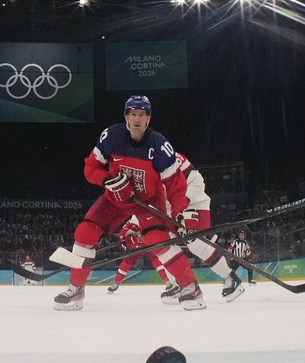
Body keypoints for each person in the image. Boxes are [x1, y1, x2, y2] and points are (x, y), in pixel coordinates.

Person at [53, 95, 205, 311]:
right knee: (85, 233)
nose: (137, 119)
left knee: (158, 239)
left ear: (148, 118)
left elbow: (176, 186)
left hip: (148, 201)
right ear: (126, 116)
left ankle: (191, 287)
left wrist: (179, 214)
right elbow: (90, 168)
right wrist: (107, 180)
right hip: (114, 199)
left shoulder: (160, 145)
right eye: (133, 114)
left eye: (142, 115)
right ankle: (76, 290)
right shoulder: (111, 136)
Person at [160, 152, 245, 303]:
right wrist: (134, 226)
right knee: (162, 243)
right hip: (169, 212)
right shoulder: (135, 169)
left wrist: (182, 206)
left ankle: (231, 277)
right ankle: (180, 283)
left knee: (196, 244)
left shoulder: (169, 157)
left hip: (194, 204)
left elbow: (197, 182)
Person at [106, 215, 171, 293]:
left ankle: (168, 282)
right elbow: (122, 234)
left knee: (157, 261)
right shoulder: (132, 224)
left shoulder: (147, 221)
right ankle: (116, 284)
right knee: (127, 263)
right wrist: (125, 241)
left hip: (148, 244)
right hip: (138, 246)